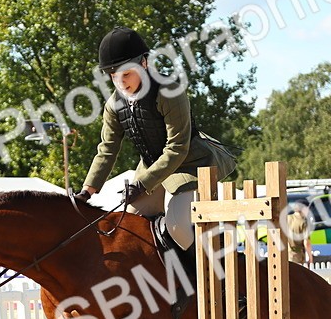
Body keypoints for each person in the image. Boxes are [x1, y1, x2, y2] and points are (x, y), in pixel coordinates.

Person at [77, 26, 237, 260]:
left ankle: (216, 270)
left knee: (178, 226)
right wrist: (87, 191)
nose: (121, 83)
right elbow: (107, 149)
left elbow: (177, 148)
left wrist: (142, 184)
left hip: (188, 165)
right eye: (113, 77)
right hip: (152, 168)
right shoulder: (113, 105)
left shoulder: (169, 91)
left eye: (126, 74)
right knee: (128, 228)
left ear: (144, 63)